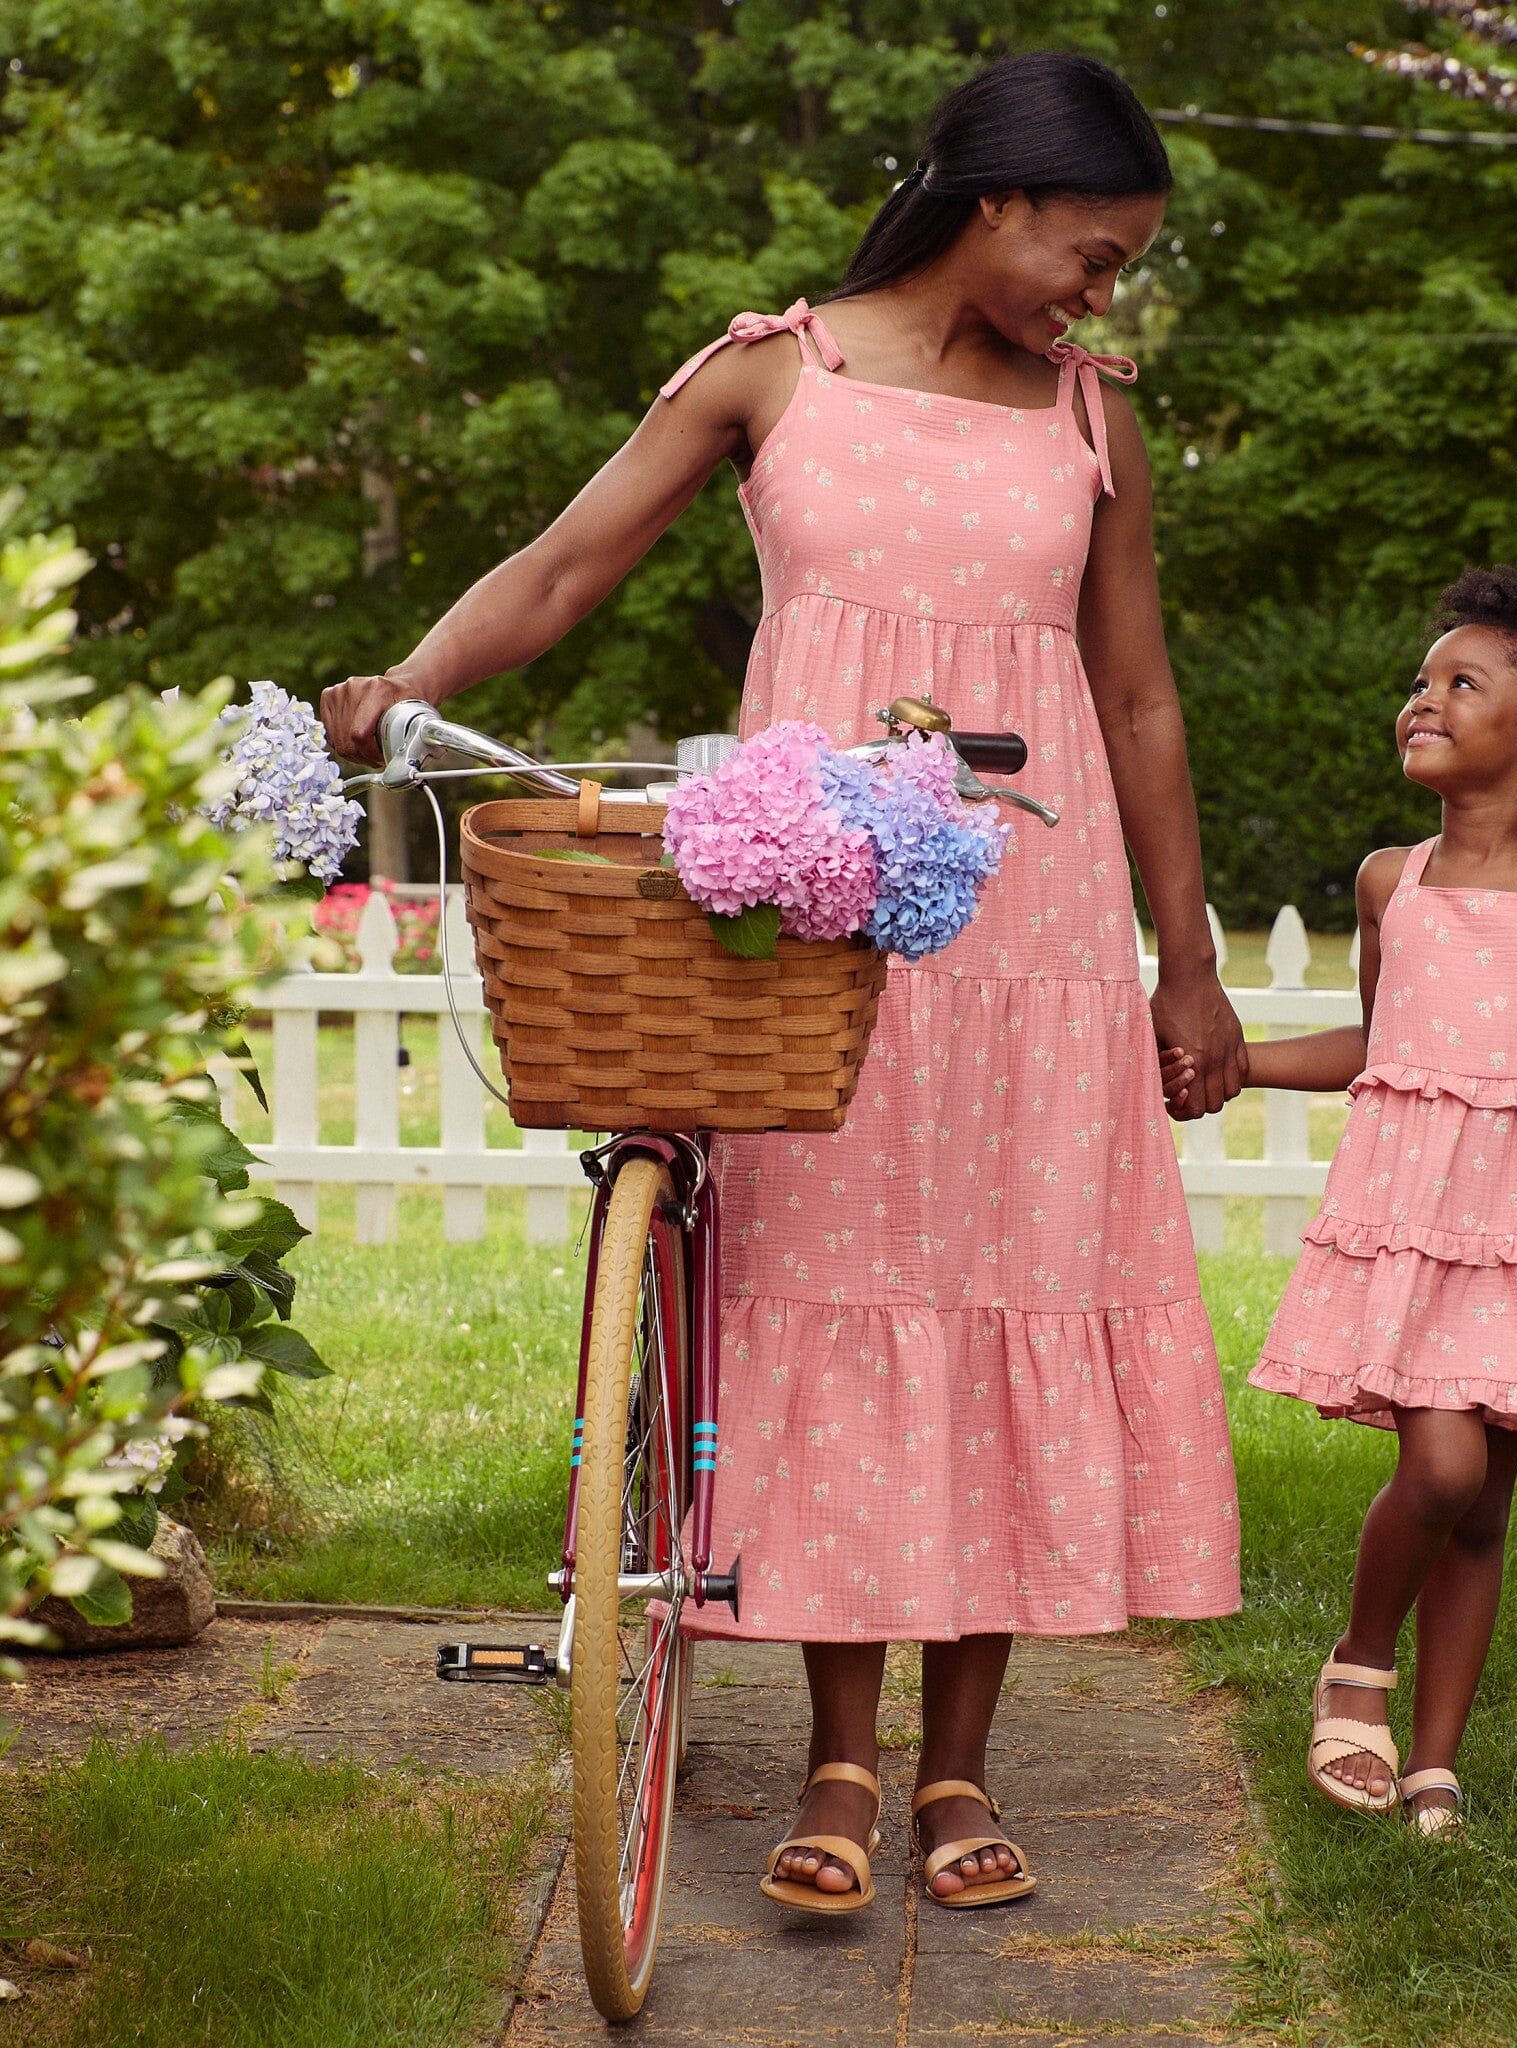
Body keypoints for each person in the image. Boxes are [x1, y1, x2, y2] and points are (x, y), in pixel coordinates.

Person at [320, 52, 1246, 1915]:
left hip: (1037, 933)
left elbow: (1136, 693)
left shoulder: (1090, 419)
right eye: (1091, 247)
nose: (1102, 290)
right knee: (832, 1277)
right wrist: (395, 686)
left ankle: (961, 1764)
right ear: (992, 198)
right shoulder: (774, 371)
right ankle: (837, 1756)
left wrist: (1189, 954)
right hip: (809, 914)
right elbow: (572, 558)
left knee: (1008, 1283)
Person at [1165, 566, 1517, 1836]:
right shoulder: (1391, 880)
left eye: (1459, 684)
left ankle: (1434, 1759)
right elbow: (1380, 1040)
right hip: (1411, 1215)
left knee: (1484, 1503)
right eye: (1418, 681)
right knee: (1438, 1463)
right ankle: (1356, 1659)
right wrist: (1234, 1063)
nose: (1420, 700)